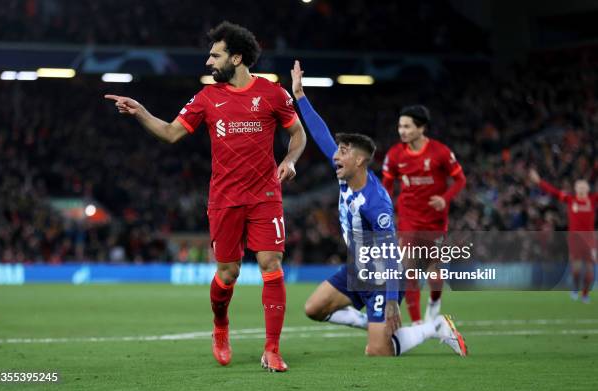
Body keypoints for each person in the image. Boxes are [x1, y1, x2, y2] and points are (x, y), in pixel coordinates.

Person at [105, 21, 307, 372]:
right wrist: (140, 112)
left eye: (215, 55)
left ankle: (272, 349)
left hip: (265, 195)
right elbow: (169, 133)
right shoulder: (207, 98)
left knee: (270, 265)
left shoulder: (273, 94)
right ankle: (220, 325)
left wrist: (289, 160)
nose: (208, 62)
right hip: (224, 198)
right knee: (228, 274)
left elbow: (298, 134)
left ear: (237, 57)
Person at [291, 61, 467, 357]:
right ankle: (374, 324)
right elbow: (321, 135)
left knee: (377, 352)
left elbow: (389, 255)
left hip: (381, 277)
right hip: (357, 268)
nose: (336, 157)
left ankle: (433, 327)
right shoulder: (346, 175)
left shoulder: (377, 203)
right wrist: (300, 96)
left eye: (344, 152)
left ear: (359, 161)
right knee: (314, 309)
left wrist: (391, 300)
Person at [381, 106, 466, 324]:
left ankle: (434, 303)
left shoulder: (441, 152)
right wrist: (384, 209)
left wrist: (444, 199)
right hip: (408, 218)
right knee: (409, 269)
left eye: (407, 126)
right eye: (400, 126)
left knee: (434, 272)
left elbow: (460, 180)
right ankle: (418, 323)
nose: (402, 131)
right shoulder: (395, 154)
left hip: (435, 221)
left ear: (421, 128)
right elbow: (387, 187)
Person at [529, 169, 597, 303]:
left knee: (590, 269)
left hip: (589, 240)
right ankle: (576, 289)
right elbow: (553, 191)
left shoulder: (593, 199)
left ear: (588, 188)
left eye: (584, 185)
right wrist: (539, 182)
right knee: (576, 270)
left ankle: (585, 294)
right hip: (575, 240)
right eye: (579, 185)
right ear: (576, 188)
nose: (582, 187)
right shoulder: (570, 199)